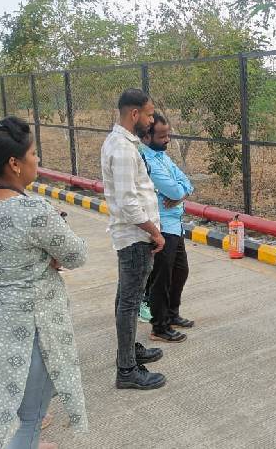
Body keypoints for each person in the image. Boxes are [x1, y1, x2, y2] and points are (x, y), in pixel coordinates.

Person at [0, 116, 88, 448]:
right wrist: (50, 254)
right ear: (15, 164)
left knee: (12, 408)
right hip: (27, 329)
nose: (38, 161)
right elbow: (76, 255)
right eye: (34, 154)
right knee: (30, 416)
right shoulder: (33, 211)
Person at [100, 88, 167, 390]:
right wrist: (153, 231)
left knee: (126, 298)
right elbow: (128, 202)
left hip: (132, 235)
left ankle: (129, 352)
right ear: (134, 114)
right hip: (136, 236)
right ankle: (127, 369)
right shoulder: (125, 149)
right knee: (129, 302)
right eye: (150, 114)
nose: (152, 121)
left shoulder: (120, 142)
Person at [139, 112, 195, 343]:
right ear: (146, 137)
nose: (167, 139)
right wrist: (180, 192)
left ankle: (172, 315)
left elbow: (185, 183)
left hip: (175, 223)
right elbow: (172, 190)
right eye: (162, 136)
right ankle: (159, 326)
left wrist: (181, 194)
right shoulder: (148, 161)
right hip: (162, 226)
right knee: (162, 278)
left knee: (180, 272)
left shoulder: (162, 157)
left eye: (167, 134)